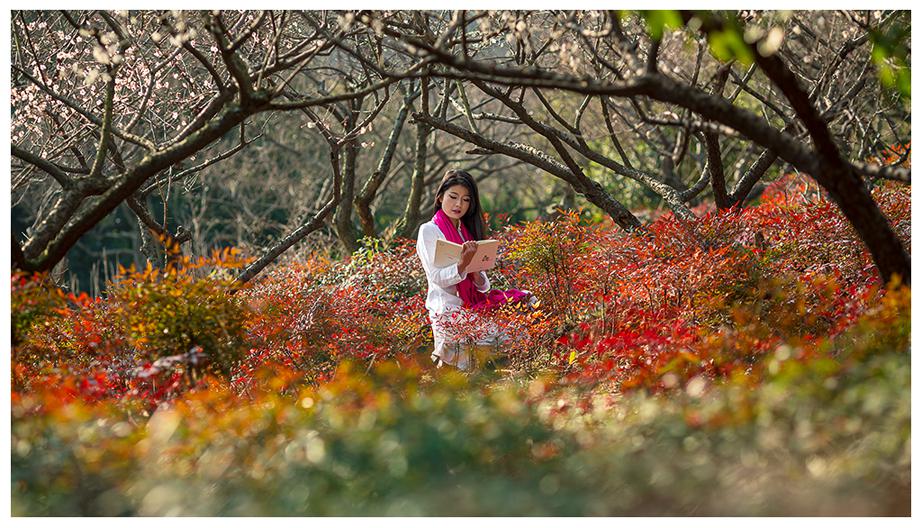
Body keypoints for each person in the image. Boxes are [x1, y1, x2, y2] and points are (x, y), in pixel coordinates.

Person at [416, 169, 533, 371]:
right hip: (448, 309)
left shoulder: (466, 232)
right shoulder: (429, 230)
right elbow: (437, 278)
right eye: (453, 197)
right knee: (489, 342)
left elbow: (483, 286)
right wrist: (463, 264)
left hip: (473, 304)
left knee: (527, 304)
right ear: (440, 197)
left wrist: (476, 271)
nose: (458, 204)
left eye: (466, 200)